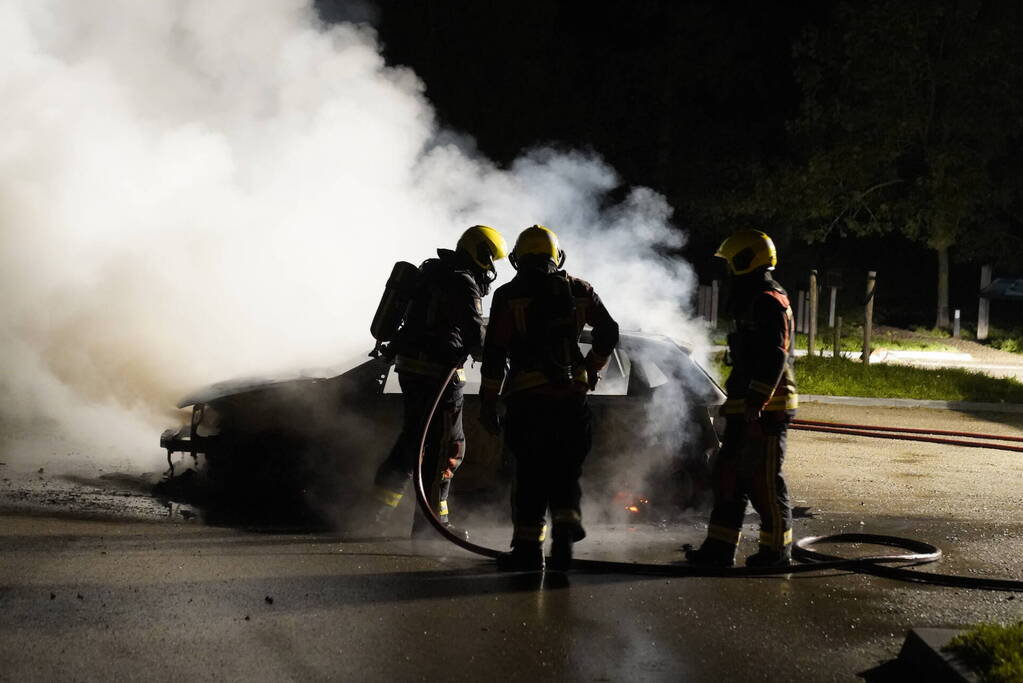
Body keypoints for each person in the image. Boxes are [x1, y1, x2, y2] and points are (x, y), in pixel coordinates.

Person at [479, 225, 619, 571]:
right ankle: (563, 545)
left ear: (519, 258)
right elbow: (609, 331)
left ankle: (528, 552)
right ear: (557, 256)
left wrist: (487, 402)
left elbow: (495, 353)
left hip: (528, 402)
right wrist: (591, 368)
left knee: (530, 476)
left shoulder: (509, 295)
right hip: (572, 400)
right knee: (565, 472)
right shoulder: (580, 289)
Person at [370, 225, 509, 539]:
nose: (491, 268)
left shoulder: (431, 270)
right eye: (491, 260)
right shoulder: (462, 281)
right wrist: (502, 350)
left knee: (412, 443)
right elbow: (475, 336)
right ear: (481, 252)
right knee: (448, 448)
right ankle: (431, 526)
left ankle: (375, 513)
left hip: (411, 369)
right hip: (439, 375)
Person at [685, 229, 798, 567]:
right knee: (729, 478)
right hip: (747, 406)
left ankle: (777, 552)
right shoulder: (754, 298)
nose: (728, 269)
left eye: (732, 262)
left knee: (763, 483)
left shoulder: (767, 299)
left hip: (765, 410)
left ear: (747, 260)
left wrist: (756, 402)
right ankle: (718, 550)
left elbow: (775, 357)